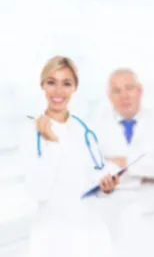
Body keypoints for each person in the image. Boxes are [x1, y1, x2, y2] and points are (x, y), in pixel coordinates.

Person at [18, 56, 119, 257]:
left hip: (91, 230)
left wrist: (107, 185)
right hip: (54, 234)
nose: (58, 91)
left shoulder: (84, 129)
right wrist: (52, 142)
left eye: (66, 83)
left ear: (75, 88)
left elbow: (94, 173)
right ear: (42, 85)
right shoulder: (31, 131)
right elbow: (39, 191)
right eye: (51, 82)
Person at [91, 68, 154, 257]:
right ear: (109, 96)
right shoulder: (95, 126)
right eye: (117, 91)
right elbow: (93, 170)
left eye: (129, 88)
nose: (124, 96)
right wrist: (145, 171)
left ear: (140, 91)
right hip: (114, 218)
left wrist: (124, 163)